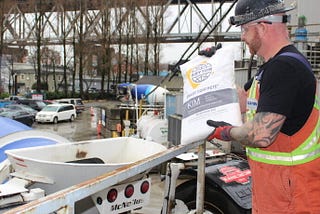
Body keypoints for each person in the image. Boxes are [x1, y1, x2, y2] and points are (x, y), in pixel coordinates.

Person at [207, 0, 320, 213]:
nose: (242, 36)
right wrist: (210, 68)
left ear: (262, 26)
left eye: (244, 29)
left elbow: (261, 135)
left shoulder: (284, 69)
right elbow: (239, 99)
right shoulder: (271, 69)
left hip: (293, 199)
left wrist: (227, 132)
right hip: (279, 193)